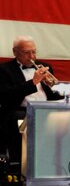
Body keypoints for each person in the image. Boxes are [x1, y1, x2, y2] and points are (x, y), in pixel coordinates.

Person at [0, 36, 63, 164]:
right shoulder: (4, 69)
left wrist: (52, 86)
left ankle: (55, 163)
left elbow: (56, 96)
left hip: (46, 110)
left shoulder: (45, 66)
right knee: (20, 117)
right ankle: (21, 165)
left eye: (34, 51)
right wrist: (33, 82)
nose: (32, 56)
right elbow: (6, 96)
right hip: (21, 112)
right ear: (15, 52)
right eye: (26, 52)